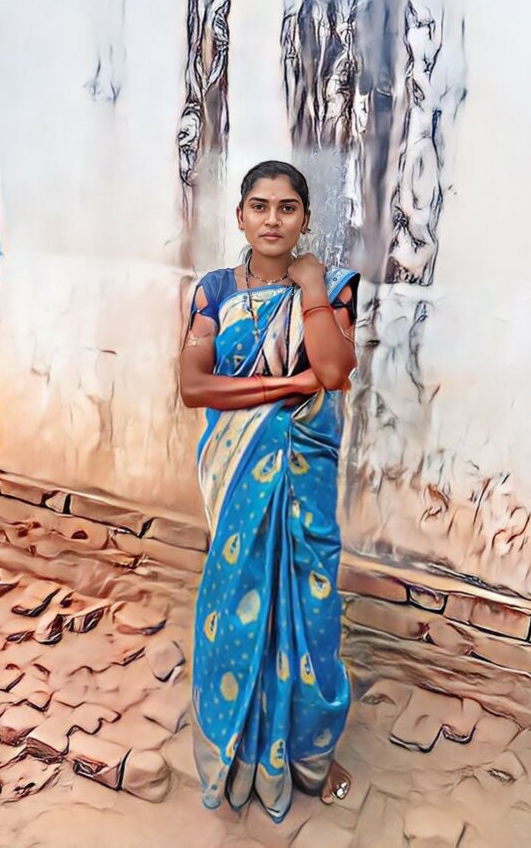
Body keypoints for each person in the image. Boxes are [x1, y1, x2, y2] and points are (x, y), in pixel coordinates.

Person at [179, 159, 359, 823]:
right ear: (241, 216)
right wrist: (286, 387)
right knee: (235, 602)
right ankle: (238, 755)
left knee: (313, 611)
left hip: (305, 476)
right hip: (236, 474)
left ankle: (307, 758)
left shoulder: (332, 287)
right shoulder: (214, 290)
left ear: (304, 218)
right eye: (260, 206)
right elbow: (193, 386)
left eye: (288, 207)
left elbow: (332, 368)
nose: (273, 219)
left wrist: (309, 284)